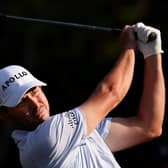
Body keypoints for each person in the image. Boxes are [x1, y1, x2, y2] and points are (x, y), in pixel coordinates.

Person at [0, 22, 165, 168]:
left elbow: (148, 127)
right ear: (5, 116)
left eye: (34, 90)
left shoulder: (73, 131)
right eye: (21, 101)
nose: (35, 104)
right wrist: (129, 46)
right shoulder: (43, 141)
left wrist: (152, 53)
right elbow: (111, 92)